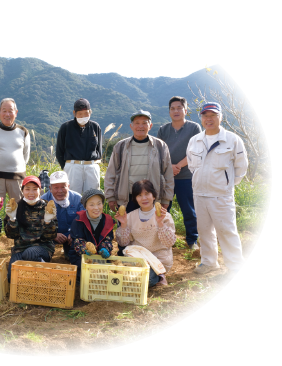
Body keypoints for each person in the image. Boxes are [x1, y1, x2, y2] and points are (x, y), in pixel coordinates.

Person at [187, 102, 248, 279]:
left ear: (220, 117)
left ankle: (235, 265)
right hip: (199, 193)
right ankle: (209, 262)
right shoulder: (195, 140)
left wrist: (227, 185)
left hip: (221, 194)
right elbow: (192, 165)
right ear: (201, 118)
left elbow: (241, 167)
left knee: (227, 229)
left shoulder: (232, 139)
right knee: (204, 230)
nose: (209, 119)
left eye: (213, 115)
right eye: (205, 115)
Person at [104, 109, 174, 214]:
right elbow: (111, 173)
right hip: (127, 199)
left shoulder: (160, 146)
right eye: (137, 123)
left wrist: (166, 199)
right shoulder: (121, 146)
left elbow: (168, 175)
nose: (140, 126)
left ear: (150, 126)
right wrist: (110, 196)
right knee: (126, 228)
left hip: (152, 198)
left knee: (152, 229)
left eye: (144, 123)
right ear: (131, 126)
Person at [157, 96, 202, 250]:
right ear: (169, 111)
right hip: (167, 177)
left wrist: (178, 166)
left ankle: (192, 241)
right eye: (172, 108)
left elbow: (196, 151)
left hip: (187, 176)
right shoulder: (163, 129)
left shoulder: (194, 128)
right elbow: (159, 152)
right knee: (164, 209)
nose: (176, 111)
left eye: (179, 108)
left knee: (189, 209)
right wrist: (170, 167)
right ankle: (164, 239)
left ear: (185, 110)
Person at [115, 180, 176, 287]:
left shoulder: (165, 216)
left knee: (147, 280)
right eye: (139, 195)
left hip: (158, 260)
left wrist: (160, 223)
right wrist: (123, 224)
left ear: (153, 196)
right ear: (135, 199)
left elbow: (169, 242)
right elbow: (123, 243)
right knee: (126, 276)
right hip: (138, 259)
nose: (144, 198)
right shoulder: (130, 216)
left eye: (147, 194)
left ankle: (159, 276)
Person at [4, 176, 58, 281]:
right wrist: (12, 219)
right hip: (20, 248)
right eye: (27, 189)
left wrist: (48, 221)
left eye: (35, 189)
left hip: (43, 247)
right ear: (22, 190)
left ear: (40, 190)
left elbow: (51, 236)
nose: (31, 192)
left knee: (30, 253)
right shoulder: (15, 206)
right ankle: (34, 276)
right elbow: (11, 235)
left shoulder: (47, 206)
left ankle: (46, 276)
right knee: (12, 278)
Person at [0, 98, 30, 203]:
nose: (7, 114)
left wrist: (17, 167)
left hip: (17, 178)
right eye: (4, 110)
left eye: (10, 111)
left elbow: (25, 156)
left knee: (19, 208)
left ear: (16, 113)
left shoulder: (23, 132)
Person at [56, 98, 102, 194]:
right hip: (73, 166)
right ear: (74, 113)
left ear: (90, 112)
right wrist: (67, 166)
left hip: (91, 166)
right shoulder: (66, 127)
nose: (83, 116)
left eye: (86, 113)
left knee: (93, 196)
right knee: (73, 196)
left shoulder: (95, 127)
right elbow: (59, 151)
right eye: (80, 114)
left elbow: (99, 150)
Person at [69, 189, 115, 281]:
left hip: (101, 256)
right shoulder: (78, 221)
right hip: (82, 256)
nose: (96, 208)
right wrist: (85, 249)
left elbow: (108, 239)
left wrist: (105, 248)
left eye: (99, 203)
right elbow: (77, 241)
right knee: (86, 273)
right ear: (85, 206)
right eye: (91, 204)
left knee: (108, 273)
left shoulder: (108, 221)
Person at [41, 171, 85, 261]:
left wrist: (74, 233)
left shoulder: (78, 199)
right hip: (50, 235)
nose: (60, 191)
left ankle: (68, 251)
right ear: (50, 188)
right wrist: (53, 234)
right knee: (43, 256)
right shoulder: (43, 200)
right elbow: (38, 223)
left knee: (73, 257)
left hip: (71, 236)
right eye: (56, 187)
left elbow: (83, 220)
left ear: (68, 186)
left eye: (63, 187)